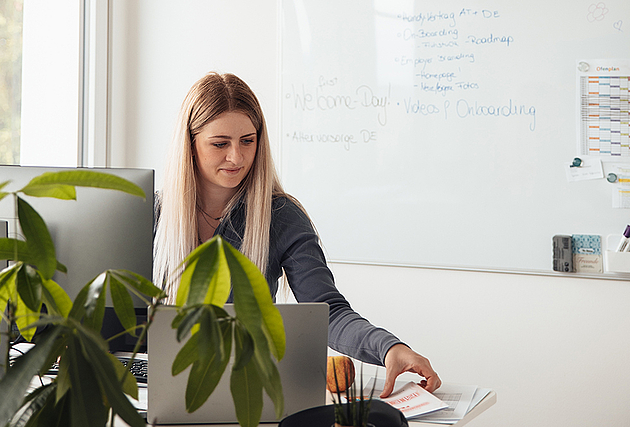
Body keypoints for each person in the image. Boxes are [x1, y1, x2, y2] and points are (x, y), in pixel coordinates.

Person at [153, 72, 441, 397]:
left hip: (247, 391)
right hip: (160, 389)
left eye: (247, 141)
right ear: (189, 144)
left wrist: (388, 348)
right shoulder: (151, 213)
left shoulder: (281, 217)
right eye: (220, 144)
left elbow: (326, 310)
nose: (236, 157)